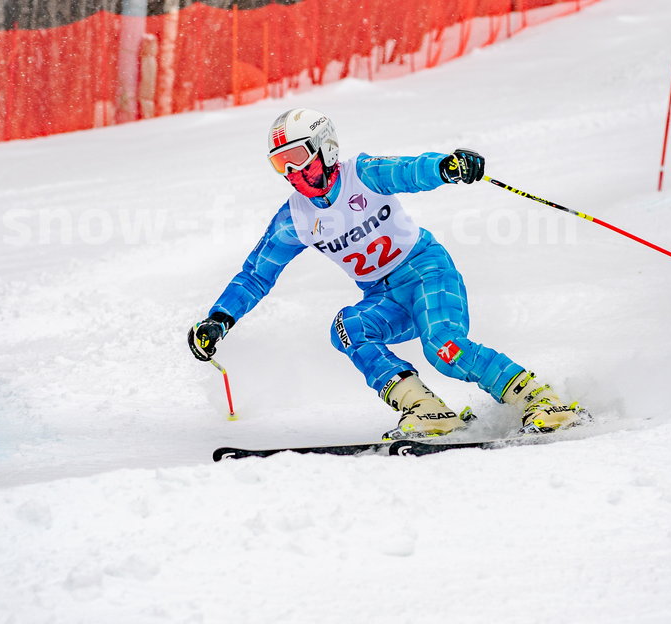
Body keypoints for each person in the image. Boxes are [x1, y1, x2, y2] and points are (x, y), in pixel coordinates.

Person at [187, 107, 588, 439]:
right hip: (383, 297)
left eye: (297, 159)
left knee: (444, 347)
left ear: (325, 149)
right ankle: (427, 410)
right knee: (347, 328)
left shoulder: (361, 174)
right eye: (280, 164)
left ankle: (540, 400)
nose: (291, 172)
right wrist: (220, 320)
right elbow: (256, 274)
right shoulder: (296, 217)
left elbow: (410, 170)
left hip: (427, 271)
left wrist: (447, 167)